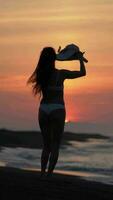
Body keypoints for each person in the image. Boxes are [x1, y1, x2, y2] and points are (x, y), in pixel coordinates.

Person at [27, 46, 86, 177]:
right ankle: (49, 175)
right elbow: (82, 73)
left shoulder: (40, 75)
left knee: (46, 145)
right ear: (54, 60)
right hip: (57, 109)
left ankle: (42, 173)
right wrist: (79, 59)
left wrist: (59, 55)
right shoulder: (61, 74)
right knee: (55, 144)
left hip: (43, 109)